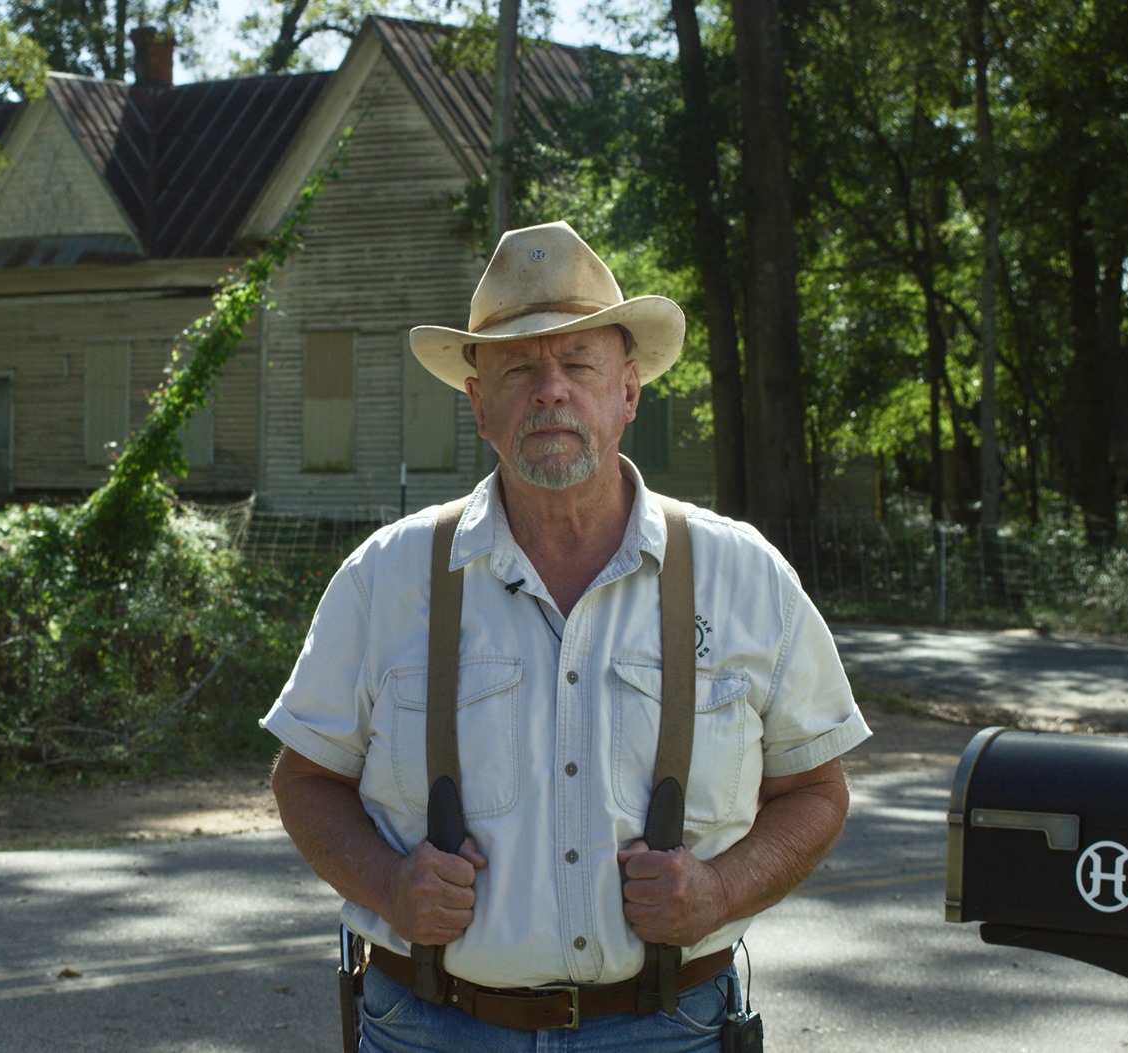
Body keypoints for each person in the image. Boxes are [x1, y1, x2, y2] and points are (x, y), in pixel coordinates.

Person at [260, 221, 870, 1052]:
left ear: (628, 391)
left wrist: (721, 891)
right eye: (517, 368)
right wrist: (389, 883)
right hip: (432, 1027)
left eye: (578, 363)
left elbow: (818, 791)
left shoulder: (743, 576)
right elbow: (304, 779)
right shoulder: (385, 579)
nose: (550, 390)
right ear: (479, 404)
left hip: (671, 1029)